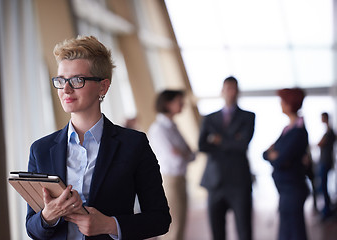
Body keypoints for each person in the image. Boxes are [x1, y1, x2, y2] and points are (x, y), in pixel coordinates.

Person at [25, 35, 171, 240]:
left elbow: (160, 219)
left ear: (103, 87)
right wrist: (48, 216)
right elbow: (32, 228)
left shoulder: (134, 145)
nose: (66, 89)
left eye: (77, 80)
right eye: (61, 80)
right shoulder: (40, 149)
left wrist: (110, 225)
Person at [198, 76, 255, 240]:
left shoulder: (248, 116)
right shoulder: (209, 118)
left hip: (239, 182)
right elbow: (202, 146)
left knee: (244, 231)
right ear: (222, 91)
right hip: (215, 181)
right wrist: (232, 140)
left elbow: (242, 145)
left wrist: (218, 139)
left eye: (234, 89)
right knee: (217, 233)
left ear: (238, 92)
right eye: (228, 89)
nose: (231, 93)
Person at [148, 90, 195, 240]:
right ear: (167, 103)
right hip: (169, 181)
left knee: (180, 225)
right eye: (179, 101)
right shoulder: (159, 129)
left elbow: (192, 154)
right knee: (172, 229)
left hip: (180, 178)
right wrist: (183, 153)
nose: (182, 104)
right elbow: (176, 159)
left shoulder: (172, 126)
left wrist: (182, 153)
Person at [263, 88, 309, 240]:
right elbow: (266, 154)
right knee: (286, 231)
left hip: (293, 189)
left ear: (289, 104)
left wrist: (275, 155)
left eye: (282, 101)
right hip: (286, 189)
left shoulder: (298, 131)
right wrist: (274, 155)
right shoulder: (288, 129)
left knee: (294, 232)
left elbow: (280, 159)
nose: (280, 104)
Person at [317, 112, 336, 220]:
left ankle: (326, 211)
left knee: (323, 186)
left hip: (326, 161)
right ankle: (326, 210)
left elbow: (320, 144)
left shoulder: (329, 132)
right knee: (323, 186)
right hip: (326, 161)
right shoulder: (329, 132)